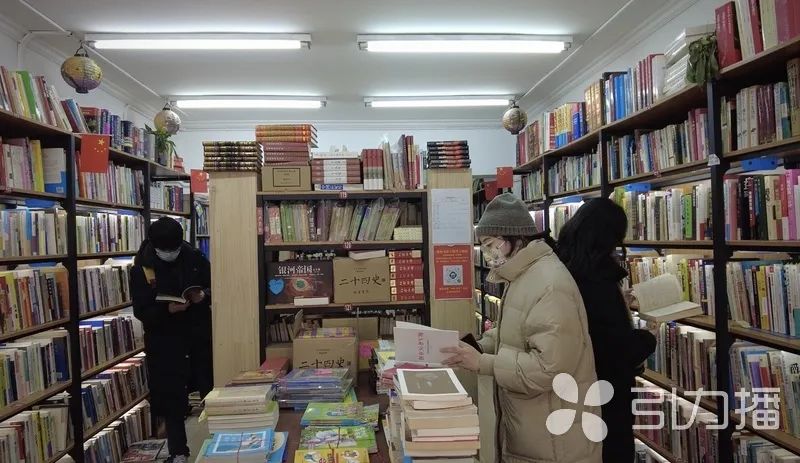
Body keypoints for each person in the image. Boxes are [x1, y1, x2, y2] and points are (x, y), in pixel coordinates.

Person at [441, 193, 602, 463]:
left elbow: (548, 369)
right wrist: (477, 345)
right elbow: (516, 333)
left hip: (555, 441)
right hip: (536, 430)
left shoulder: (549, 284)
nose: (488, 254)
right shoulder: (524, 275)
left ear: (515, 238)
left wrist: (484, 363)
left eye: (491, 244)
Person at [556, 198, 657, 463]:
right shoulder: (599, 282)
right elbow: (615, 350)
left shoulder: (563, 270)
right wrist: (648, 337)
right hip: (606, 396)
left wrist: (619, 302)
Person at [130, 217, 213, 463]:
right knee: (172, 399)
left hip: (198, 336)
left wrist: (203, 296)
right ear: (154, 245)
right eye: (165, 250)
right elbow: (141, 310)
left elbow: (214, 284)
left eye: (174, 248)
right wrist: (167, 310)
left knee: (210, 389)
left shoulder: (194, 257)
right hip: (164, 341)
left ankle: (221, 443)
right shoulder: (142, 268)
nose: (170, 253)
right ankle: (178, 451)